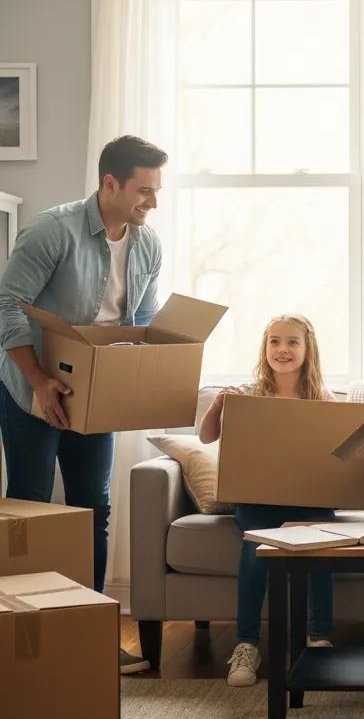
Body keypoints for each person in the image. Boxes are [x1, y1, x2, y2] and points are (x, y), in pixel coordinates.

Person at [0, 135, 166, 674]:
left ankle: (87, 635)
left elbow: (141, 320)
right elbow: (6, 304)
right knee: (30, 506)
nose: (152, 203)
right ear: (110, 184)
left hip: (95, 389)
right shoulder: (54, 230)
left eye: (156, 191)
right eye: (144, 191)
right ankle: (23, 635)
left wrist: (136, 382)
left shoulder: (147, 243)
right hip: (32, 383)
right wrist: (39, 380)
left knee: (92, 507)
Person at [199, 314, 338, 687]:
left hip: (309, 501)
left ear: (308, 350)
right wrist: (217, 406)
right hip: (258, 502)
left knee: (322, 552)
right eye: (274, 341)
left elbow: (338, 459)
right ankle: (246, 645)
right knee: (255, 553)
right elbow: (207, 437)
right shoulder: (248, 395)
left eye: (292, 342)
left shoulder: (322, 400)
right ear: (265, 348)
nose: (282, 349)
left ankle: (319, 637)